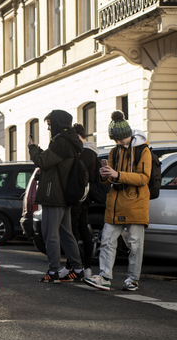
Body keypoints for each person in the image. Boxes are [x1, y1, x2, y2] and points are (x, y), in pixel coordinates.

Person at [83, 111, 151, 291]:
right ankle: (105, 277)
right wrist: (105, 174)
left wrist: (117, 174)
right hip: (115, 204)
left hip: (136, 203)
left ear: (127, 135)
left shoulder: (143, 150)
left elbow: (144, 178)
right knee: (107, 240)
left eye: (119, 139)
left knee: (135, 244)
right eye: (115, 139)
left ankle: (132, 279)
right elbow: (109, 180)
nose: (117, 142)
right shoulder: (114, 151)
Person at [28, 110, 84, 283]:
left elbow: (43, 162)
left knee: (50, 234)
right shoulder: (70, 140)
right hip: (64, 193)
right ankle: (77, 268)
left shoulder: (61, 141)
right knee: (66, 233)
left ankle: (53, 273)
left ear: (58, 123)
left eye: (50, 125)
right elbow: (52, 160)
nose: (49, 129)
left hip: (55, 194)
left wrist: (32, 148)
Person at [64, 123, 99, 279]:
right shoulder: (92, 152)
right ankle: (85, 268)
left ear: (78, 136)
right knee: (83, 232)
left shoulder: (85, 152)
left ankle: (74, 267)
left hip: (79, 198)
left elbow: (79, 176)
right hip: (86, 197)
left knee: (73, 232)